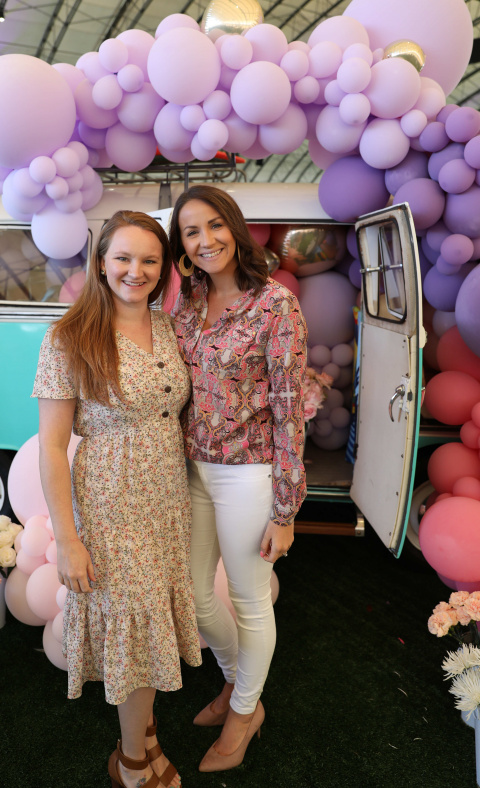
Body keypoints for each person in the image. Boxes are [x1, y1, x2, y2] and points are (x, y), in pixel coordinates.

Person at [32, 210, 202, 788]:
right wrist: (67, 539)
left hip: (167, 496)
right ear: (101, 262)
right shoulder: (69, 337)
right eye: (123, 257)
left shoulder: (169, 327)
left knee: (151, 618)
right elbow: (52, 447)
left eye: (150, 260)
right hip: (111, 498)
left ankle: (145, 734)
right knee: (135, 620)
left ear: (164, 267)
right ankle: (131, 761)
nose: (136, 270)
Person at [169, 184, 308, 773]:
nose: (205, 240)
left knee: (249, 600)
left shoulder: (276, 305)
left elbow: (288, 408)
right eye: (191, 232)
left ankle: (245, 713)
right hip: (191, 468)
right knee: (195, 595)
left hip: (249, 472)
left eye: (214, 225)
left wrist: (285, 510)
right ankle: (236, 683)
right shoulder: (188, 302)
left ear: (234, 226)